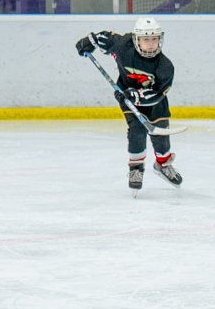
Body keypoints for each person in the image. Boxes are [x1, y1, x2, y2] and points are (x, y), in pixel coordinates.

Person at [76, 18, 180, 189]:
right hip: (127, 97)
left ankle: (163, 164)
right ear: (136, 39)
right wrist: (88, 41)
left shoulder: (165, 66)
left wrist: (136, 95)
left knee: (160, 134)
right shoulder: (123, 46)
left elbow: (158, 93)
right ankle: (136, 168)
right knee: (136, 131)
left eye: (154, 39)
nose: (151, 44)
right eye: (146, 39)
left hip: (155, 103)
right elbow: (104, 37)